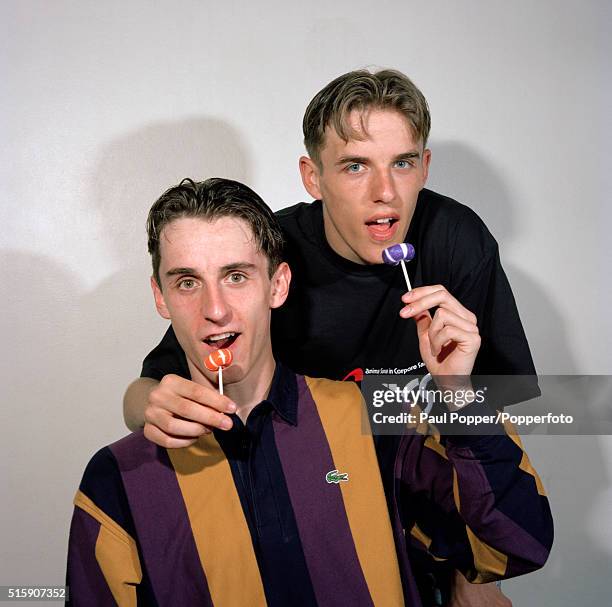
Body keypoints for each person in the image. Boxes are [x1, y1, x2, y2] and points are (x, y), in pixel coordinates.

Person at [123, 69, 540, 605]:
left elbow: (495, 414)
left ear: (425, 168)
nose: (384, 192)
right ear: (312, 177)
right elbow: (153, 387)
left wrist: (477, 574)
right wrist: (144, 405)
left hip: (426, 500)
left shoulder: (457, 240)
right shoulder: (268, 255)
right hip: (319, 506)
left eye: (403, 163)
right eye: (355, 166)